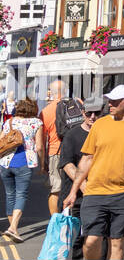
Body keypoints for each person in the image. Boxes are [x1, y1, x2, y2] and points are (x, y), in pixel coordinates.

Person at [63, 85, 124, 260]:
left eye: (115, 101)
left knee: (117, 242)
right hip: (95, 192)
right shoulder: (100, 124)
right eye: (109, 100)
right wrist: (73, 190)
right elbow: (87, 159)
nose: (110, 104)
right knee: (91, 240)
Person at [59, 95, 103, 260]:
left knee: (97, 238)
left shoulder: (104, 133)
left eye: (96, 113)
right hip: (77, 197)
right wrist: (84, 187)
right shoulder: (72, 135)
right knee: (76, 242)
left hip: (99, 196)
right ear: (83, 112)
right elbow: (67, 164)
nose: (92, 117)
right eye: (89, 113)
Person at [0, 97, 43, 242]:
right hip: (24, 163)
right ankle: (13, 228)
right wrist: (43, 164)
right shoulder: (36, 122)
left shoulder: (9, 122)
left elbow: (1, 141)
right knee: (21, 195)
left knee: (10, 195)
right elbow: (39, 147)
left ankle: (13, 227)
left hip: (5, 163)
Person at [40, 81, 69, 216]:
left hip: (55, 152)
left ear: (51, 92)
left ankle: (55, 222)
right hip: (75, 151)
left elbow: (42, 141)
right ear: (65, 90)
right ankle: (72, 219)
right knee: (75, 186)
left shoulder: (46, 111)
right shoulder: (77, 104)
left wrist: (43, 163)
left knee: (55, 189)